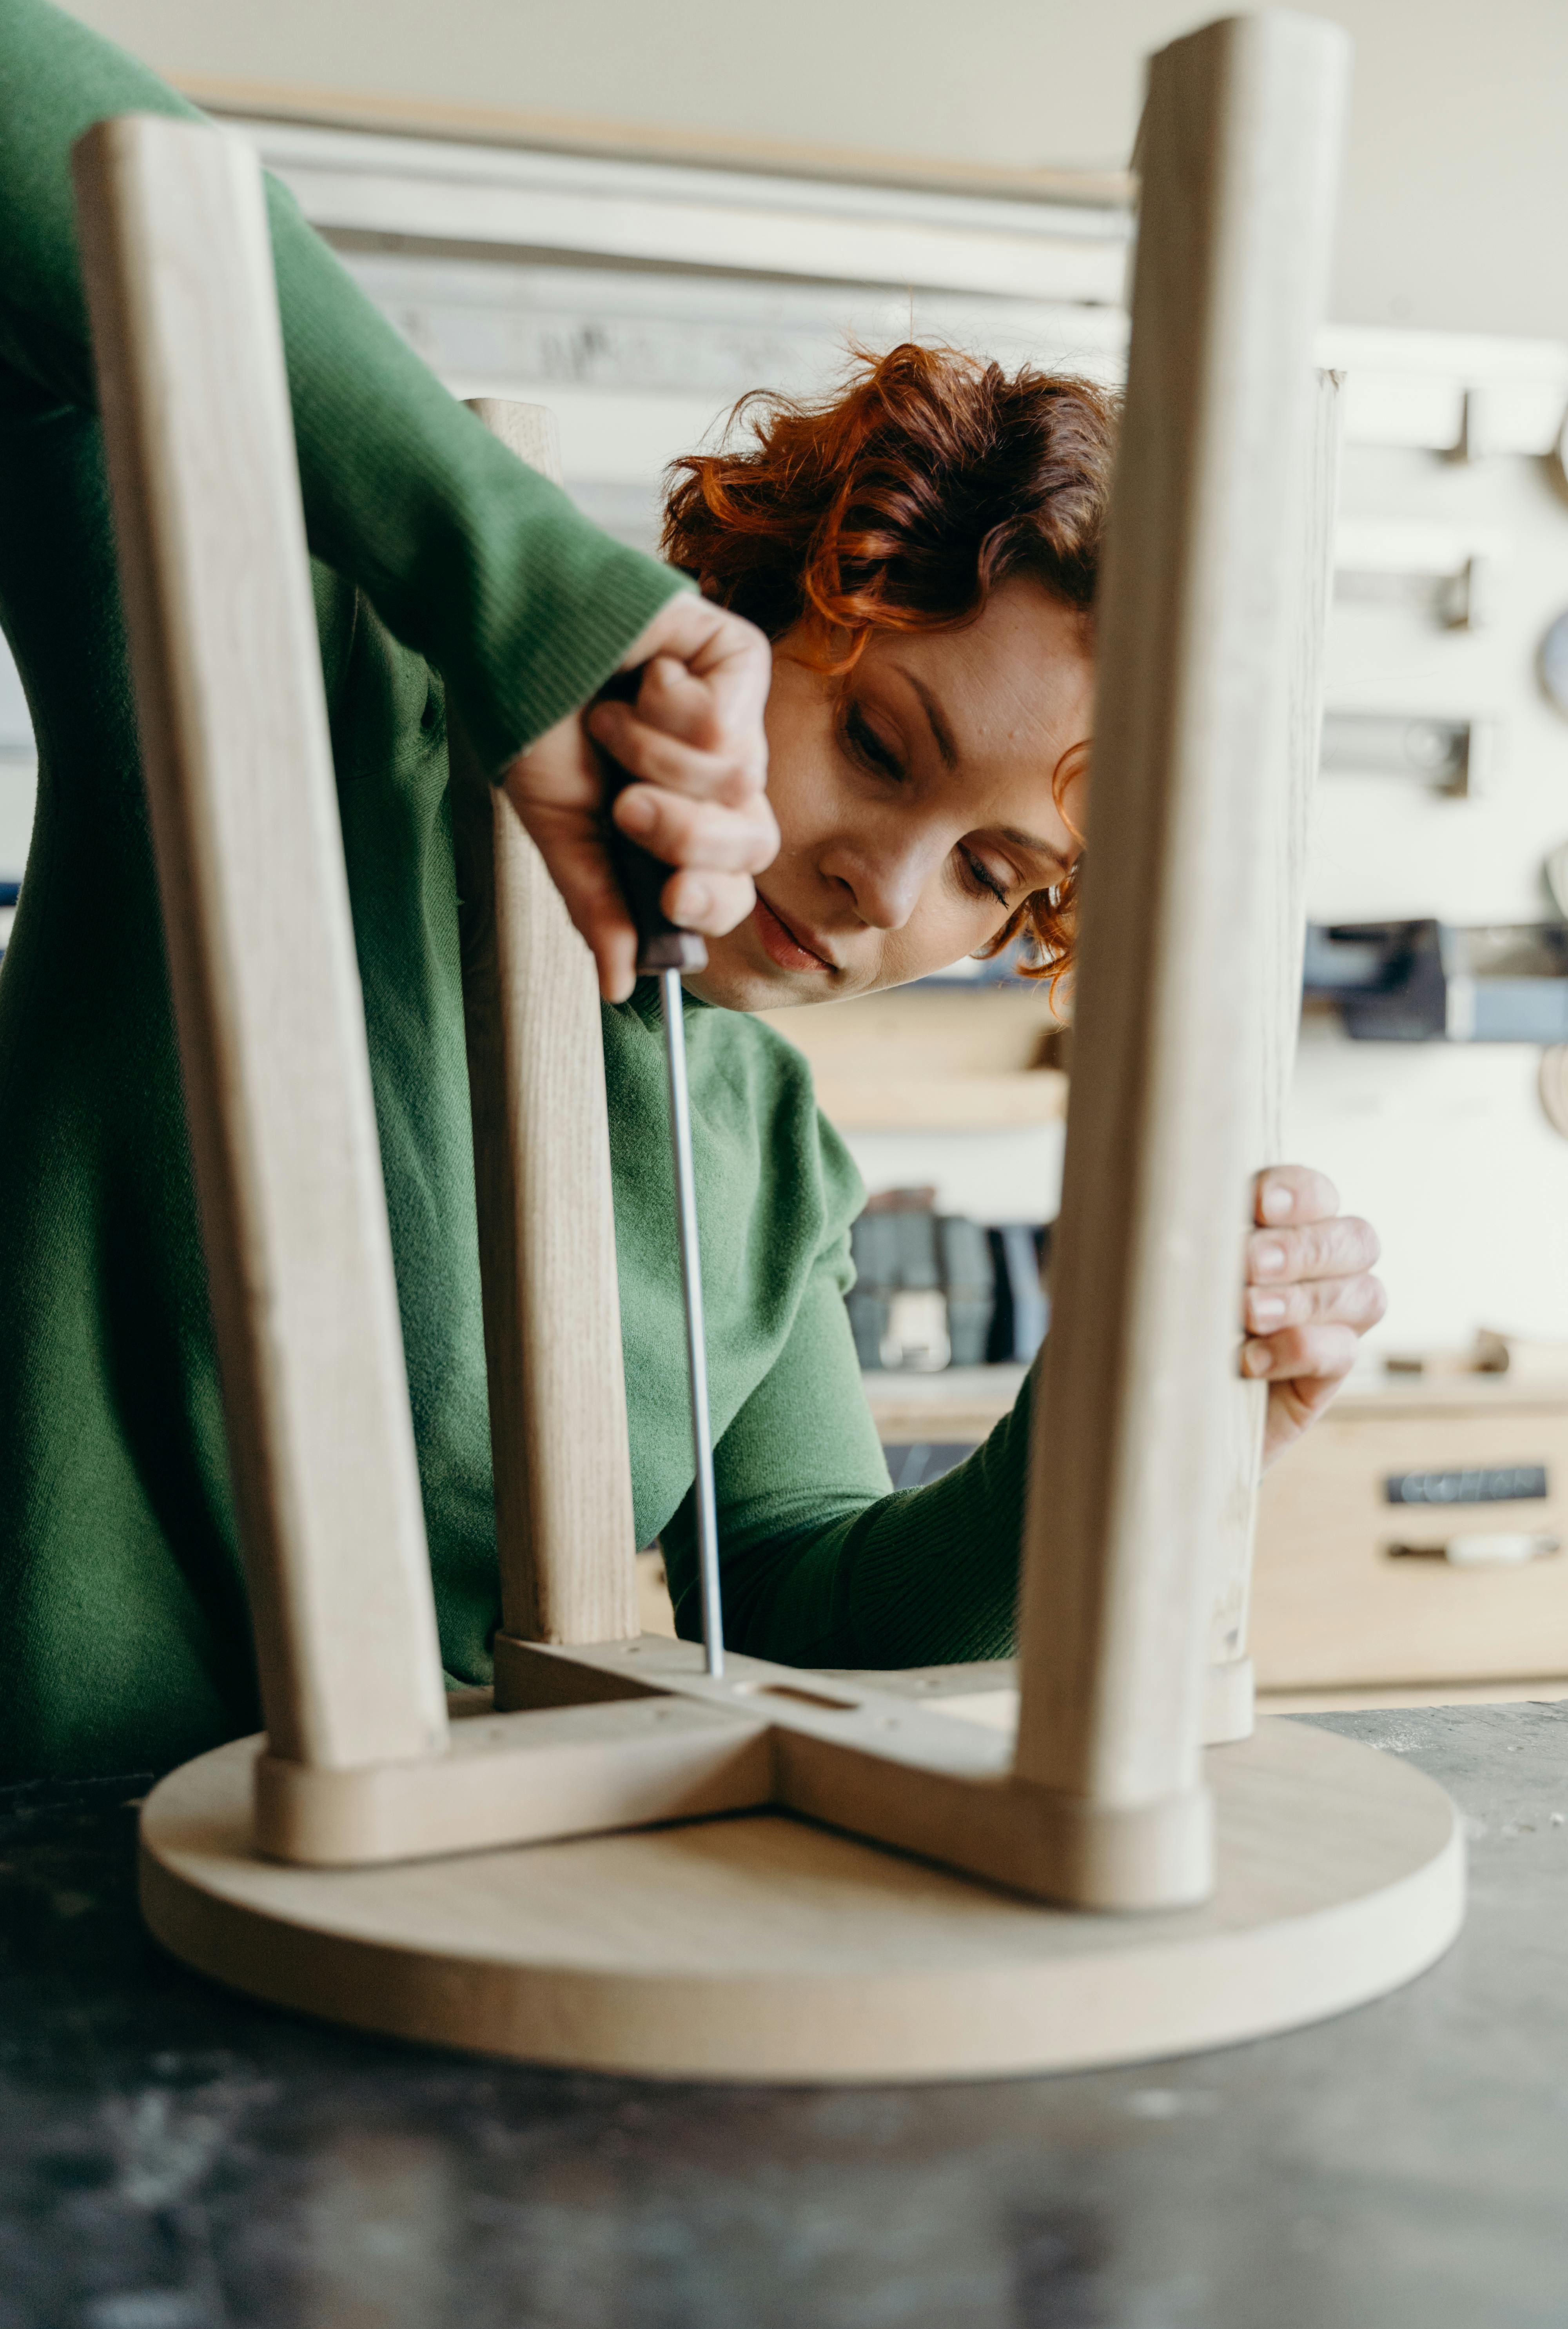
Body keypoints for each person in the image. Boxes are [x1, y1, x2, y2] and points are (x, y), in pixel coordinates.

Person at [0, 0, 1384, 1782]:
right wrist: (529, 606)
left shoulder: (761, 1140)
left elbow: (812, 1587)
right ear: (756, 606)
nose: (878, 884)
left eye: (991, 872)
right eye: (879, 744)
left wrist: (1132, 1423)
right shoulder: (327, 724)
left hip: (400, 1934)